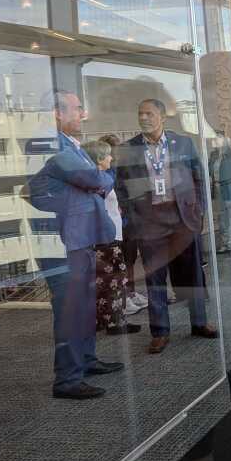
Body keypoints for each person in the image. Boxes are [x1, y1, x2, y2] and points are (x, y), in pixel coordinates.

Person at [26, 90, 124, 399]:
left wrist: (96, 177)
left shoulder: (70, 145)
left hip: (78, 239)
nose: (83, 114)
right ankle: (67, 379)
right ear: (57, 112)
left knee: (84, 305)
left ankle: (86, 360)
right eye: (77, 108)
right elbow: (94, 178)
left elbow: (91, 179)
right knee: (71, 309)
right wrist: (102, 175)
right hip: (62, 242)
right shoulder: (49, 143)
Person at [115, 99, 218, 354]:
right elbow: (120, 186)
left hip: (182, 218)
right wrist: (134, 218)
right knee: (155, 279)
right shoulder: (129, 149)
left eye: (149, 113)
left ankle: (199, 322)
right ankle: (160, 332)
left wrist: (200, 210)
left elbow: (199, 177)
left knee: (193, 275)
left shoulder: (182, 143)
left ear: (162, 117)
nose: (144, 118)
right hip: (150, 223)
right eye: (140, 113)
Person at [81, 139, 141, 337]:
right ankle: (115, 322)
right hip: (106, 239)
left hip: (107, 236)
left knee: (106, 281)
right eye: (107, 155)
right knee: (113, 280)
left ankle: (105, 321)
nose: (111, 157)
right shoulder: (98, 180)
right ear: (98, 159)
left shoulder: (97, 178)